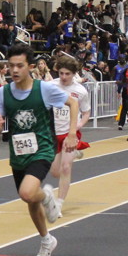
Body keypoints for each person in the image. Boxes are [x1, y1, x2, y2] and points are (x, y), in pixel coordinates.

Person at [0, 44, 78, 256]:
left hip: (43, 148)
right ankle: (47, 240)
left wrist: (71, 134)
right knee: (30, 201)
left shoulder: (45, 89)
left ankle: (48, 196)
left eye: (20, 66)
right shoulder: (2, 93)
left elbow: (73, 103)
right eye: (11, 65)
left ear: (30, 67)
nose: (14, 70)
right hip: (19, 153)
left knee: (28, 193)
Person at [49, 56, 91, 210]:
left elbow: (86, 112)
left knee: (66, 167)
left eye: (67, 74)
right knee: (55, 172)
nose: (64, 77)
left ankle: (58, 204)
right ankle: (76, 153)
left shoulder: (80, 91)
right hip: (54, 132)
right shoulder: (50, 86)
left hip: (70, 133)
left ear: (74, 74)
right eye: (61, 73)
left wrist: (79, 125)